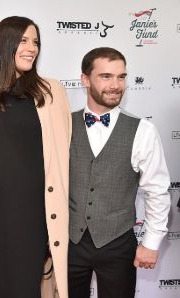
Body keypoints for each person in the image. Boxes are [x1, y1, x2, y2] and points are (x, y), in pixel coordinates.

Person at [0, 16, 71, 298]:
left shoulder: (51, 91)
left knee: (26, 288)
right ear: (6, 44)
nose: (31, 48)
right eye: (23, 40)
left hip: (31, 214)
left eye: (35, 42)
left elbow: (62, 158)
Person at [68, 47, 171, 298]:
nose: (116, 85)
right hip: (69, 242)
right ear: (85, 80)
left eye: (121, 77)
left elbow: (157, 190)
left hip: (118, 243)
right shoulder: (63, 124)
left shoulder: (143, 130)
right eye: (106, 76)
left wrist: (151, 242)